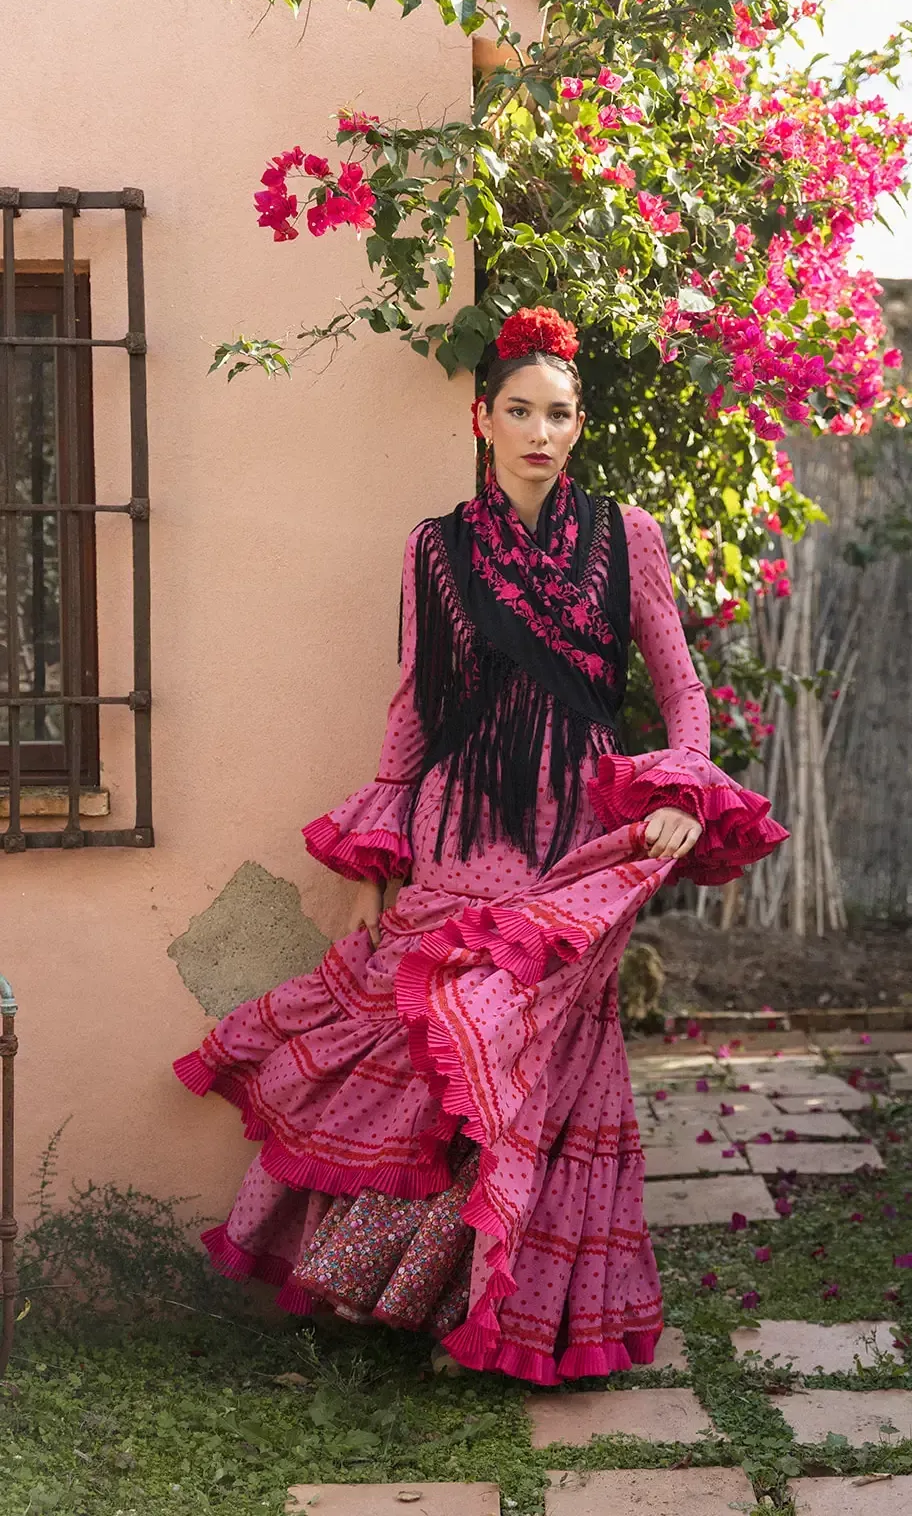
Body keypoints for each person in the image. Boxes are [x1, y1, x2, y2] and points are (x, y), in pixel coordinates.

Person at [173, 305, 787, 1385]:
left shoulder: (625, 537)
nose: (538, 432)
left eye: (557, 414)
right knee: (430, 1061)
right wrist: (379, 849)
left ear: (579, 424)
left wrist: (684, 785)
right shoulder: (438, 548)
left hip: (574, 839)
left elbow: (680, 686)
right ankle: (401, 1297)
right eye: (518, 411)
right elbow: (415, 706)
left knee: (537, 1062)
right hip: (456, 829)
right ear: (481, 419)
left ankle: (518, 1315)